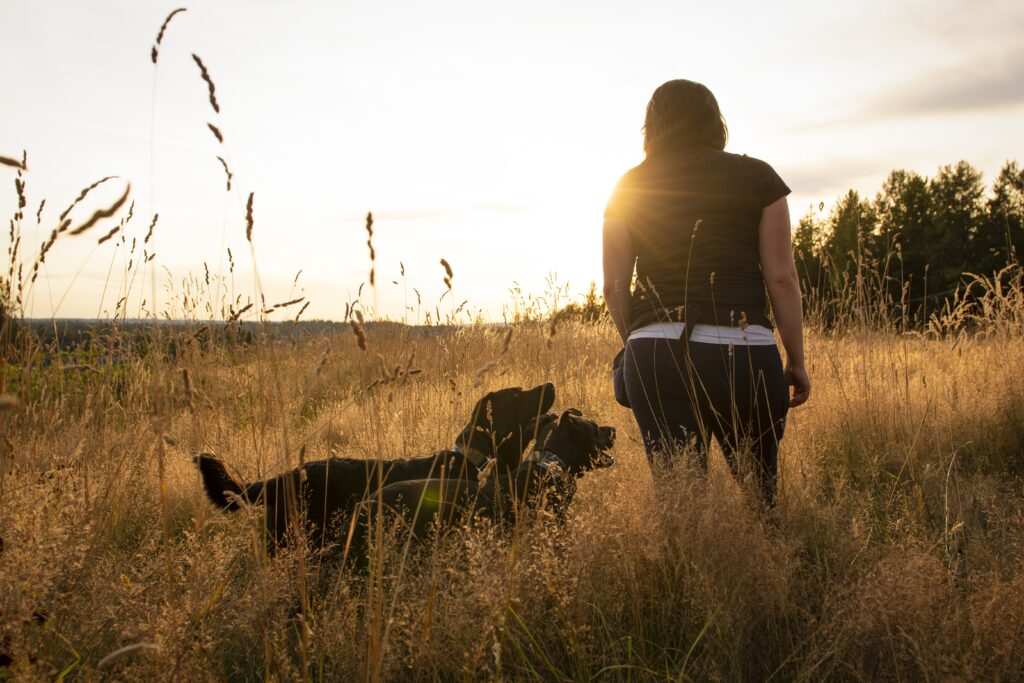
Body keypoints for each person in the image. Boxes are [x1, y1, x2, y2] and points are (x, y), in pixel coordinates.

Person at [602, 79, 810, 506]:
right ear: (716, 122)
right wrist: (797, 360)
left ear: (651, 126)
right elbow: (783, 279)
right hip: (743, 353)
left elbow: (613, 285)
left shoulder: (627, 185)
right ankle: (765, 564)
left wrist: (635, 342)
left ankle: (684, 572)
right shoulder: (758, 177)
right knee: (759, 497)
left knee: (682, 504)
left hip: (656, 351)